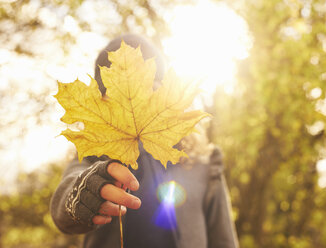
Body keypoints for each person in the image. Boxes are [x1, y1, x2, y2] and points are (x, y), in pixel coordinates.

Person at [50, 34, 239, 248]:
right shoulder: (93, 159)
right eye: (113, 98)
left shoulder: (203, 163)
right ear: (102, 102)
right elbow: (64, 207)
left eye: (153, 91)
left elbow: (224, 240)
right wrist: (87, 189)